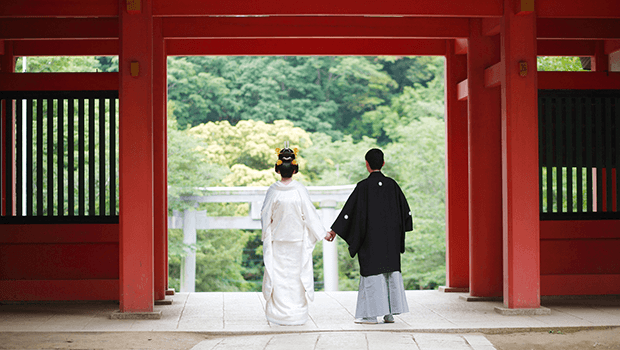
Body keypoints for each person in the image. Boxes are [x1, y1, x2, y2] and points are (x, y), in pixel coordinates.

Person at [326, 148, 413, 324]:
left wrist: (334, 230)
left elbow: (348, 212)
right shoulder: (393, 185)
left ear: (367, 165)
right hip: (390, 241)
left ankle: (370, 315)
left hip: (370, 241)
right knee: (390, 273)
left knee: (372, 275)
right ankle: (389, 314)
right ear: (383, 163)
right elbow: (406, 212)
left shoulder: (363, 187)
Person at [261, 143, 326, 325]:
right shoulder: (299, 190)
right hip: (297, 242)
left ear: (278, 169)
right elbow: (311, 214)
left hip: (278, 242)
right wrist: (322, 233)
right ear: (295, 169)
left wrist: (266, 234)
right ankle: (297, 314)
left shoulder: (273, 191)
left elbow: (265, 216)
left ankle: (278, 315)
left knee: (280, 279)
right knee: (297, 280)